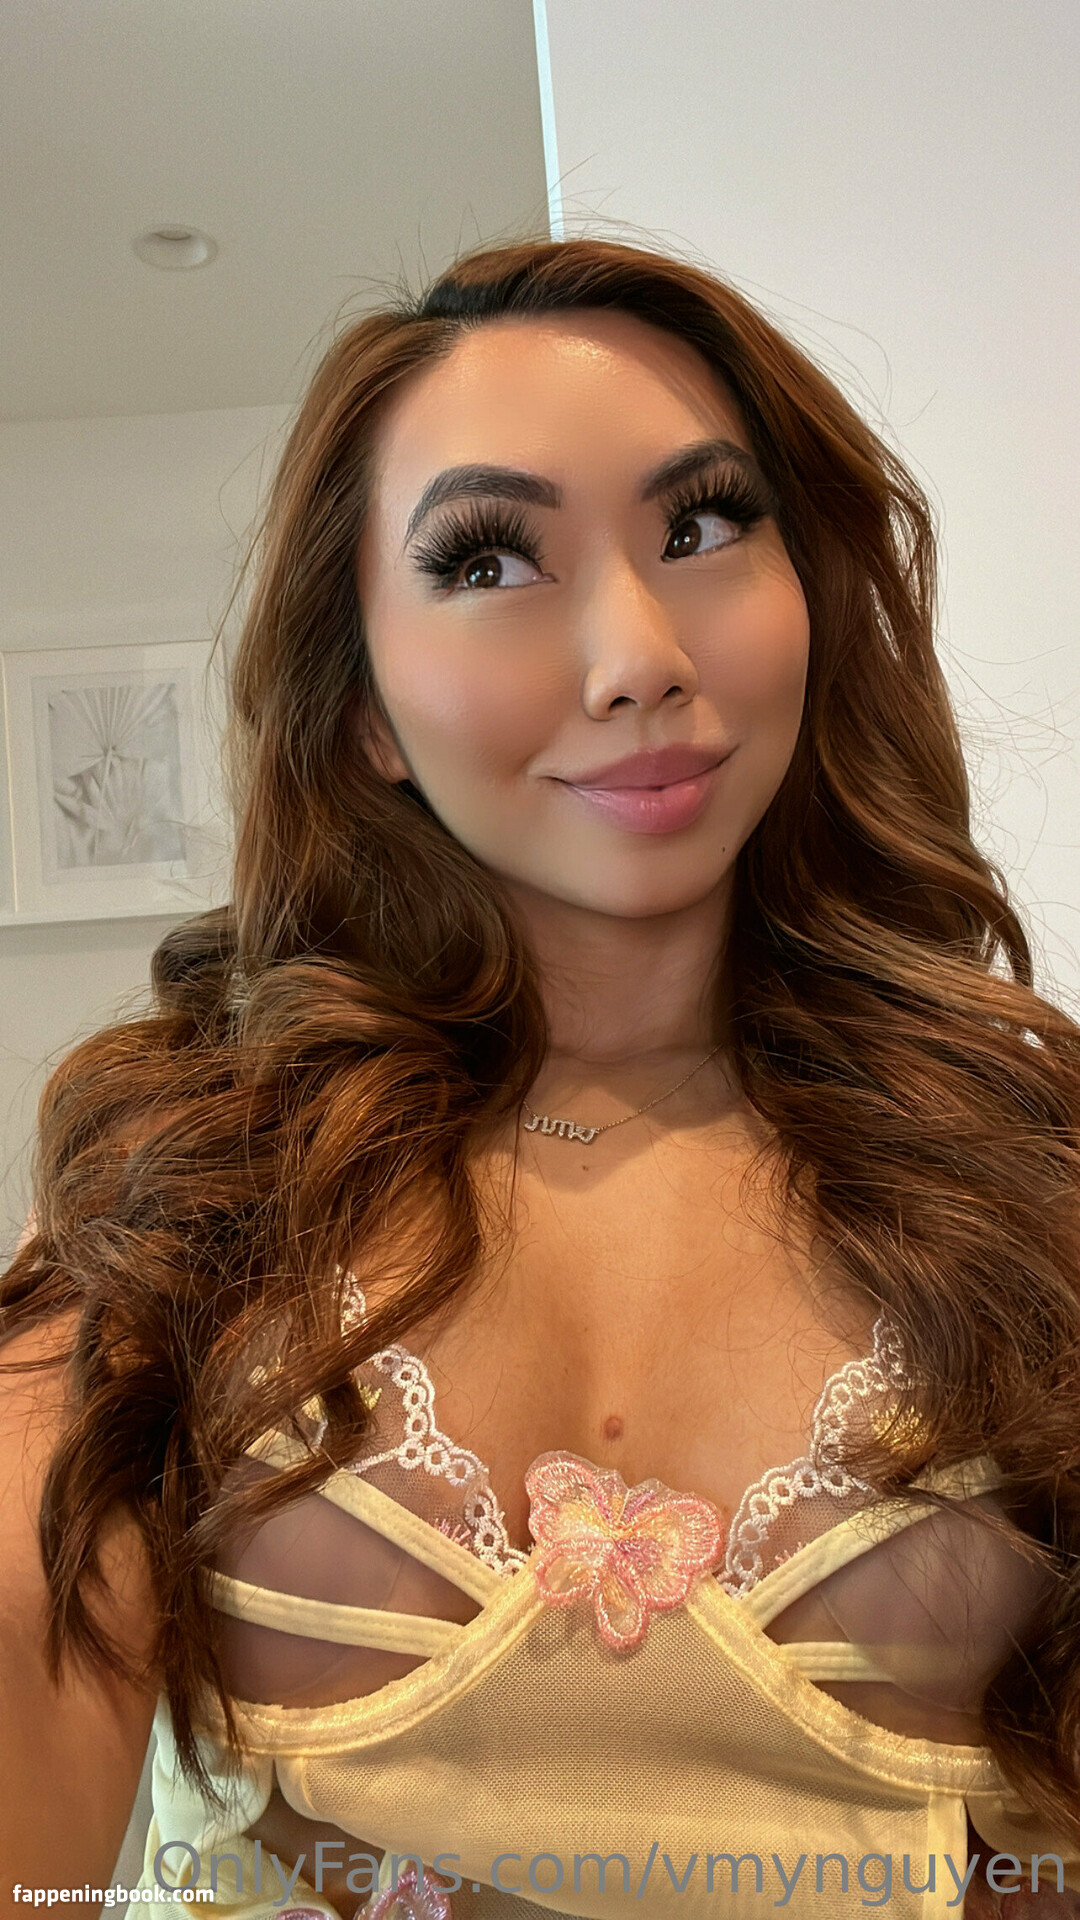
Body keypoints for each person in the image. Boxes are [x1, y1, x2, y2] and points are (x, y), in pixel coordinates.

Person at [1, 237, 1079, 1920]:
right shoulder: (204, 1186)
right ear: (364, 707)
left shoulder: (1026, 1175)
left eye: (702, 526)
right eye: (491, 558)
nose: (639, 653)